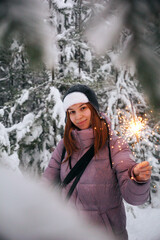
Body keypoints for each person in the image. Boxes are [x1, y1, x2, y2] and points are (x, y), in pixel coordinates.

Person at [43, 84, 152, 240]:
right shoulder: (64, 146)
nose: (78, 116)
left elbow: (134, 198)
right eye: (71, 112)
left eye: (82, 108)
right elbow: (45, 184)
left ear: (93, 109)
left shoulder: (114, 145)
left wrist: (137, 179)